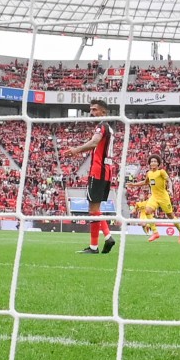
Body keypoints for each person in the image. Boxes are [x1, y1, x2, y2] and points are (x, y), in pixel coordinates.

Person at [60, 98, 117, 255]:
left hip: (98, 171)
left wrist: (75, 150)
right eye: (90, 110)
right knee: (94, 209)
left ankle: (108, 236)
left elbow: (94, 143)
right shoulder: (110, 128)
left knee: (93, 208)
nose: (91, 113)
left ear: (103, 111)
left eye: (95, 110)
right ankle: (93, 247)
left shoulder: (101, 127)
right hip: (106, 170)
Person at [134, 155, 180, 243]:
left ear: (158, 163)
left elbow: (169, 180)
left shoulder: (161, 172)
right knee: (147, 211)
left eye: (155, 161)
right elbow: (145, 182)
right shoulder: (149, 173)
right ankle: (155, 233)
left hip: (163, 197)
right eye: (151, 161)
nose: (153, 163)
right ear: (149, 163)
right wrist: (133, 184)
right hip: (154, 197)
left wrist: (170, 189)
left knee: (170, 216)